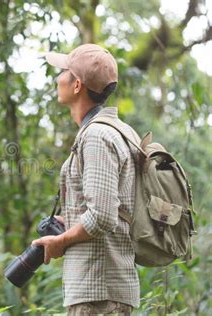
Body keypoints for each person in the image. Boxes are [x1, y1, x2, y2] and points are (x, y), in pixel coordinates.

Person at [31, 44, 140, 315]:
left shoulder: (97, 137)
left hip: (98, 294)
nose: (58, 78)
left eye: (64, 72)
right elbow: (111, 211)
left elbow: (103, 216)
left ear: (77, 84)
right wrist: (70, 220)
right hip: (101, 290)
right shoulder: (113, 132)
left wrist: (61, 242)